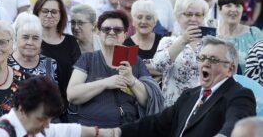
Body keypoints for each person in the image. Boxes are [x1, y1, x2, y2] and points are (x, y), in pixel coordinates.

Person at [101, 36, 256, 137]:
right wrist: (117, 132)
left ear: (231, 69)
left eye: (213, 60)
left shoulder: (239, 95)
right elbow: (157, 123)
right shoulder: (191, 95)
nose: (205, 63)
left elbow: (235, 123)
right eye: (202, 58)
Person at [67, 11, 164, 128]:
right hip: (93, 130)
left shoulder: (134, 60)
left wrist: (132, 80)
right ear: (99, 33)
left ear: (124, 35)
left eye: (117, 30)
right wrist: (105, 83)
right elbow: (72, 95)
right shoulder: (87, 59)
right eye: (106, 29)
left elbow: (148, 101)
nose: (111, 32)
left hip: (127, 128)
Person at [0, 76, 110, 137]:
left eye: (50, 119)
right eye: (42, 118)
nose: (47, 125)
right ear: (23, 110)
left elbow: (72, 130)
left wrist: (110, 133)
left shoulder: (37, 129)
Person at [147, 0, 208, 107]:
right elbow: (158, 66)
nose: (194, 19)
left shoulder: (210, 43)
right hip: (175, 108)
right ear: (178, 16)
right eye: (188, 14)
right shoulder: (168, 41)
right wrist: (183, 40)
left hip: (203, 107)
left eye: (198, 15)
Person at [33, 0, 81, 121]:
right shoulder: (31, 43)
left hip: (70, 107)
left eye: (54, 12)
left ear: (61, 15)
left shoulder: (71, 42)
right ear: (37, 13)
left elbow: (80, 72)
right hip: (41, 110)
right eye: (45, 11)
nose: (49, 15)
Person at [217, 0, 263, 74]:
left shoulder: (254, 34)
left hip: (252, 86)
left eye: (237, 6)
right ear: (220, 9)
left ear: (242, 9)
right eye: (228, 6)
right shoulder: (213, 36)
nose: (233, 10)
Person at [8, 12, 58, 82]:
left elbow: (57, 92)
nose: (30, 42)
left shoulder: (50, 64)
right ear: (16, 38)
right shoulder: (4, 63)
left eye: (35, 38)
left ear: (41, 40)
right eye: (25, 37)